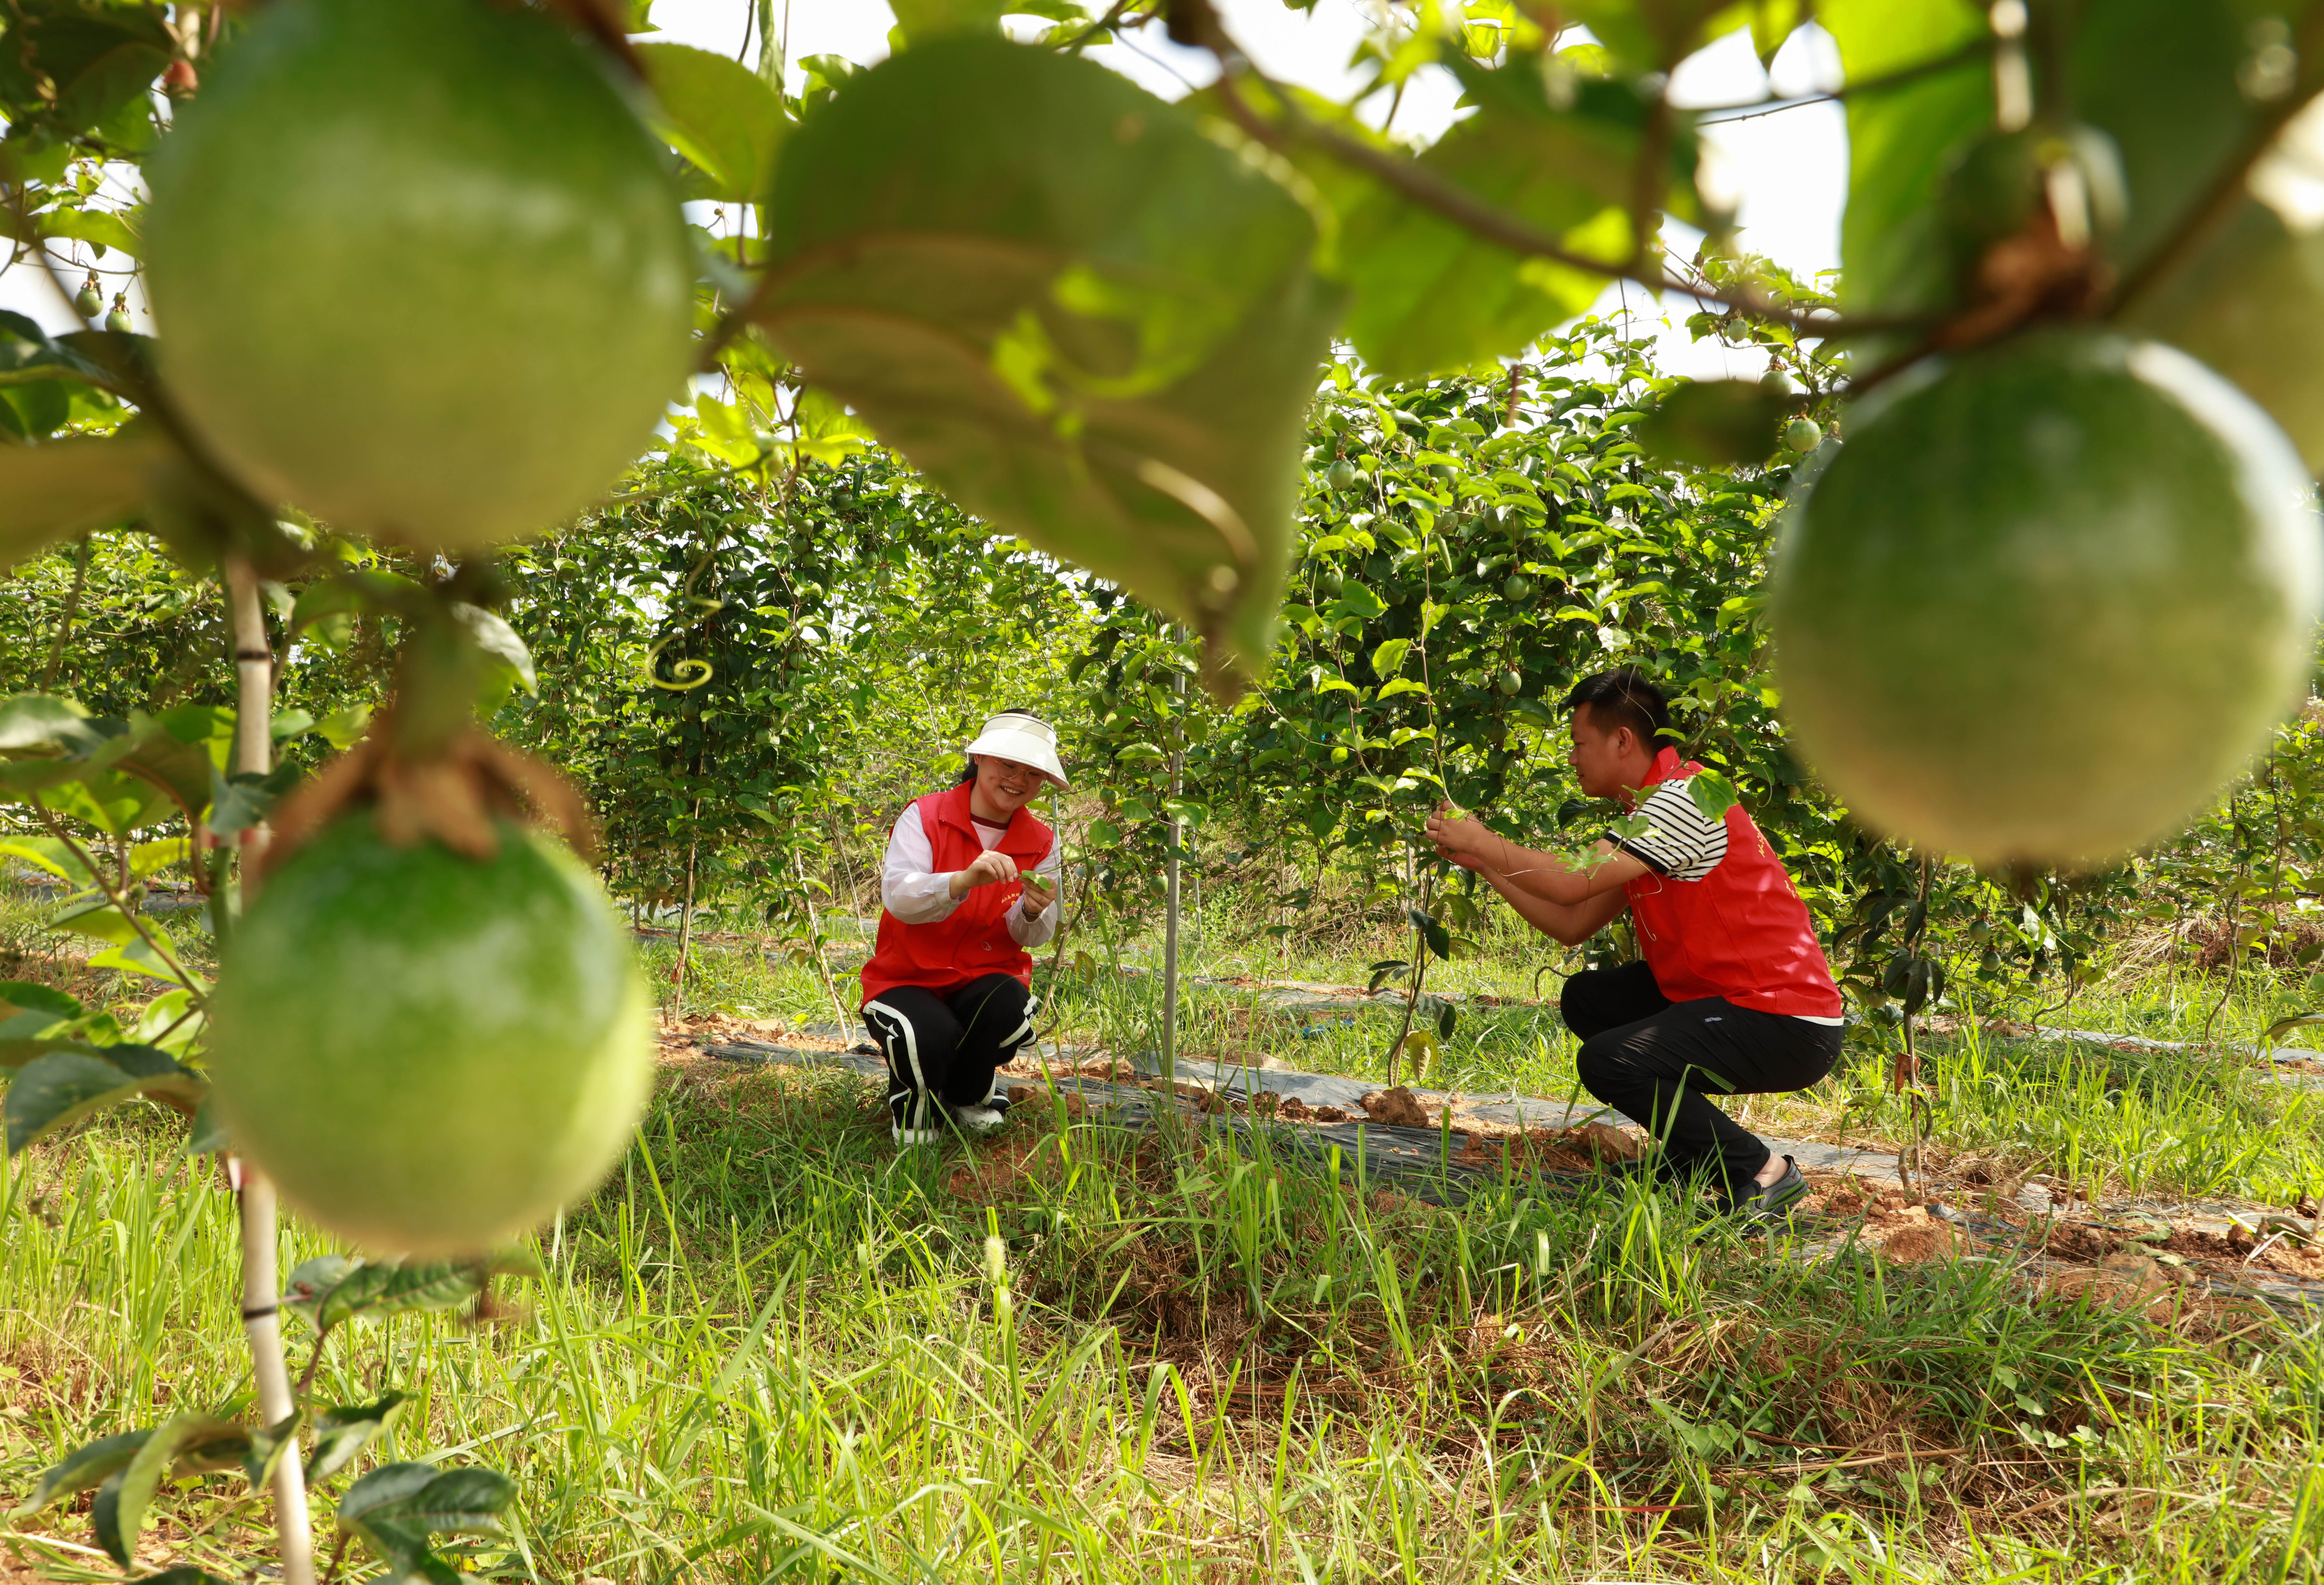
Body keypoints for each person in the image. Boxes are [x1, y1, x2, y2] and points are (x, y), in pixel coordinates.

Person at [1423, 667, 1844, 1219]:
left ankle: (1761, 1169)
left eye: (1579, 744)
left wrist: (1486, 841)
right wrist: (1485, 863)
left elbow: (1572, 879)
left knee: (1610, 1062)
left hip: (1783, 1021)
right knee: (1590, 1000)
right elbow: (1573, 921)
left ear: (1622, 740)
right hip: (1729, 1000)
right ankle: (1693, 1158)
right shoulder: (1646, 814)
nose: (1572, 758)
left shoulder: (1687, 798)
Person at [860, 710, 1068, 1145]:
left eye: (1032, 773)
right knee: (925, 1033)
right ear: (979, 758)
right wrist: (961, 881)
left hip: (984, 979)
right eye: (1008, 765)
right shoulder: (926, 816)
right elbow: (899, 897)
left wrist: (1033, 912)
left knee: (1007, 1005)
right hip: (907, 978)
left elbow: (1036, 935)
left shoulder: (1043, 842)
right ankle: (917, 1114)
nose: (1018, 780)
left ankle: (969, 1092)